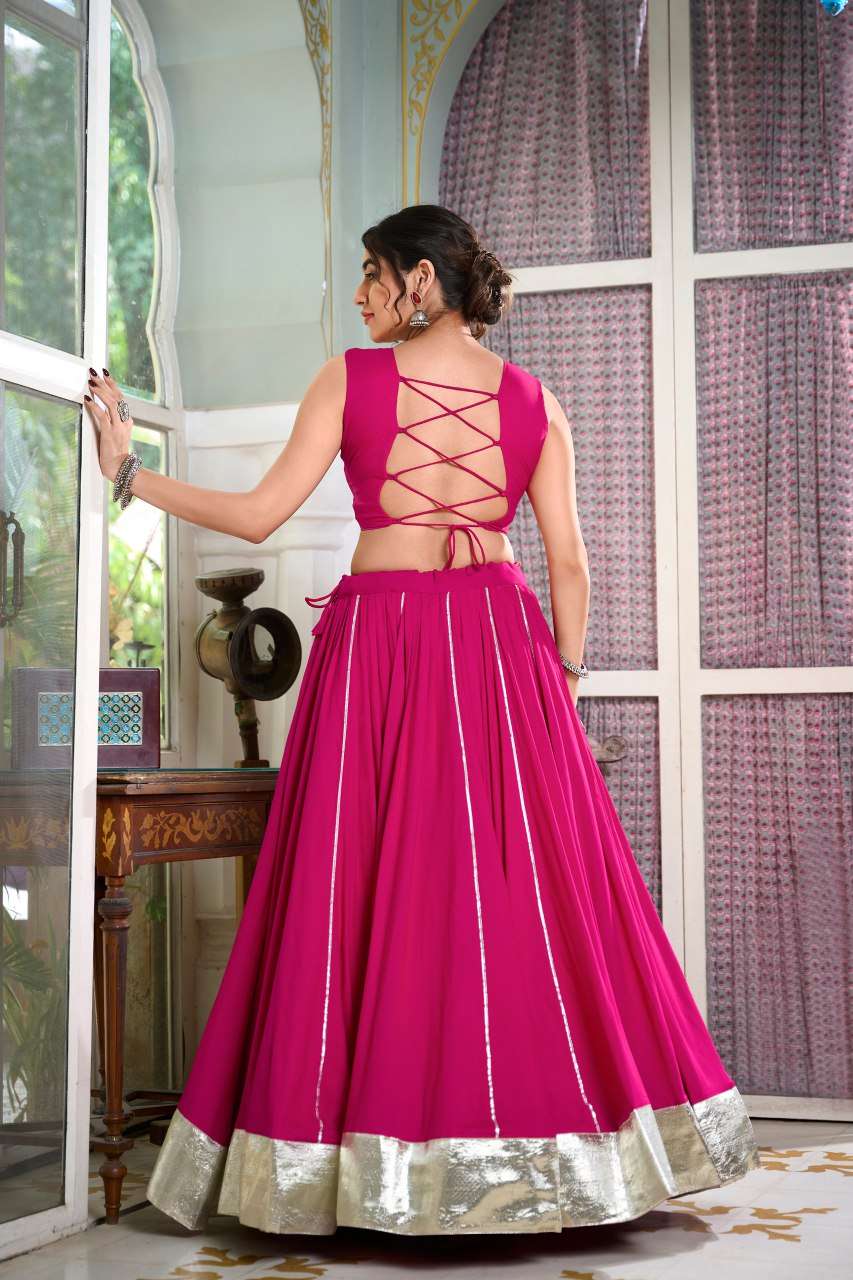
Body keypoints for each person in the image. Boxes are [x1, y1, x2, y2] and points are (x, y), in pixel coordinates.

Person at [85, 204, 760, 1238]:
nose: (360, 293)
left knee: (360, 877)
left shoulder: (348, 381)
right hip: (501, 647)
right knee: (513, 889)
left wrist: (129, 473)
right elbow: (570, 563)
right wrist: (561, 683)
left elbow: (259, 516)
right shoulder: (534, 400)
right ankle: (552, 1152)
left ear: (422, 282)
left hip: (384, 643)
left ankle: (360, 1159)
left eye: (373, 271)